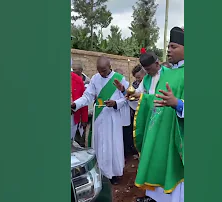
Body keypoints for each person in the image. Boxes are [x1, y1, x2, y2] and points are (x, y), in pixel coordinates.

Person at [118, 27, 184, 202]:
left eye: (174, 46)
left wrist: (178, 104)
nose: (168, 50)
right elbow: (153, 98)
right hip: (160, 130)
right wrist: (137, 96)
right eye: (168, 46)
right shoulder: (167, 74)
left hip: (177, 135)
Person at [71, 56, 129, 185]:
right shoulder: (95, 78)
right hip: (99, 115)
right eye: (99, 70)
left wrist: (115, 103)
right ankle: (101, 172)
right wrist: (76, 104)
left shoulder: (119, 79)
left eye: (103, 70)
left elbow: (127, 98)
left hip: (113, 116)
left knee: (112, 144)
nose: (101, 73)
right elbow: (88, 96)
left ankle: (113, 173)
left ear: (110, 67)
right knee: (100, 144)